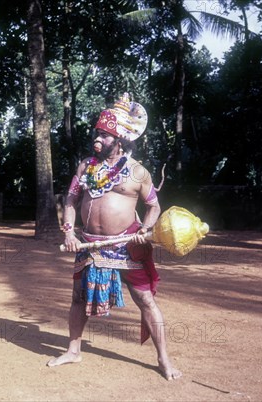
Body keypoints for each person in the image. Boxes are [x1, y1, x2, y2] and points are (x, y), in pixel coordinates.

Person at [47, 93, 182, 380]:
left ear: (119, 140)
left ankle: (164, 360)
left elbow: (154, 206)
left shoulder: (137, 172)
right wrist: (69, 231)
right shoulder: (86, 166)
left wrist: (145, 231)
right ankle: (73, 350)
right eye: (97, 133)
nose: (97, 139)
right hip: (88, 243)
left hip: (125, 245)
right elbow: (71, 201)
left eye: (104, 136)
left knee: (145, 300)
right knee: (77, 299)